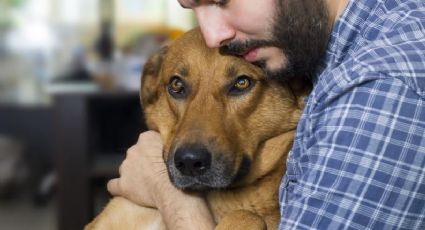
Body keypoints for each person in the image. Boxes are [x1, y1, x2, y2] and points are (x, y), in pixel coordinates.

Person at [108, 0, 425, 229]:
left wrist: (166, 192)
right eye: (192, 8)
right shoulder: (328, 52)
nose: (211, 35)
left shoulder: (379, 87)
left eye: (222, 1)